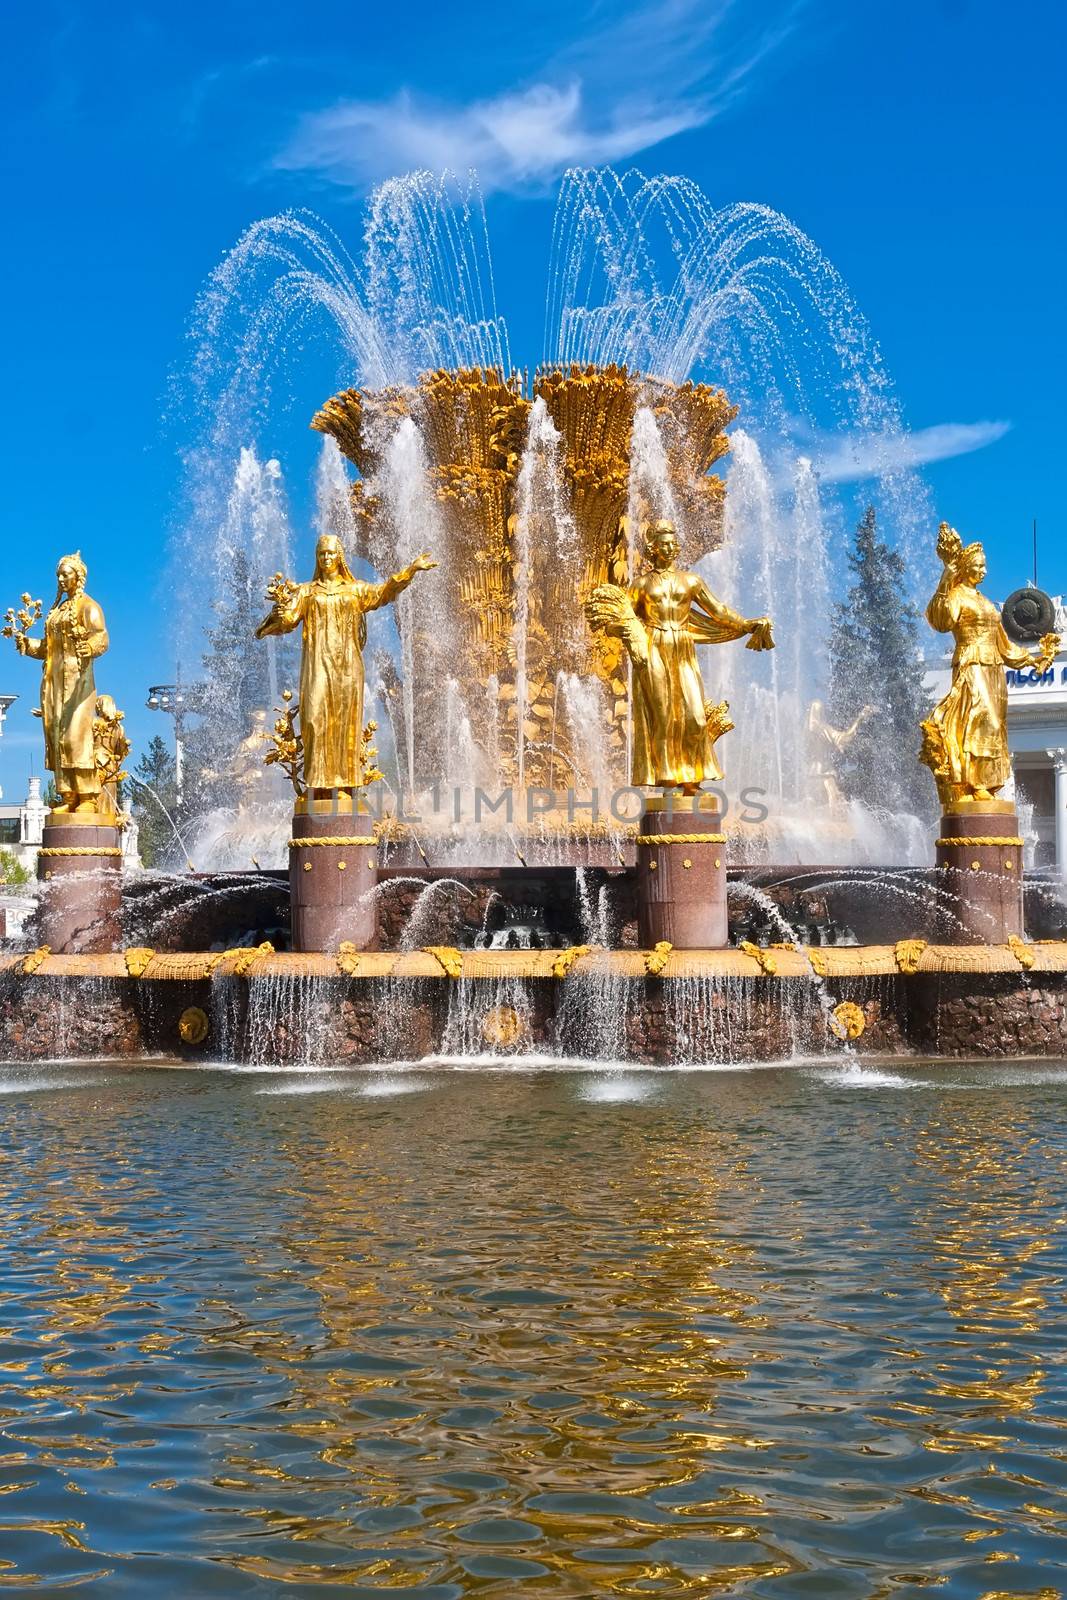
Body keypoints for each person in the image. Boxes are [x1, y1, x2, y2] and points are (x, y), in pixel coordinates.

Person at [587, 520, 773, 792]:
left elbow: (718, 610)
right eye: (665, 543)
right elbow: (620, 619)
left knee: (694, 715)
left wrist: (745, 624)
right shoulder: (640, 585)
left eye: (674, 543)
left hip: (682, 645)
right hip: (653, 645)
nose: (671, 547)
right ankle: (669, 777)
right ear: (653, 549)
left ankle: (692, 777)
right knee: (662, 716)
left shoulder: (691, 581)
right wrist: (626, 631)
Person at [255, 533, 436, 798]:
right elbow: (288, 621)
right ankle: (317, 786)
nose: (326, 558)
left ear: (339, 557)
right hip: (317, 666)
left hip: (348, 666)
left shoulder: (355, 590)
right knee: (314, 718)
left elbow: (384, 592)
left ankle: (346, 785)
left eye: (330, 553)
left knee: (344, 724)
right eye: (321, 554)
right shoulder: (307, 592)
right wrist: (277, 614)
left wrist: (410, 570)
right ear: (317, 558)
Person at [923, 523, 1058, 805]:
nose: (984, 571)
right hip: (972, 663)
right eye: (979, 566)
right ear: (966, 567)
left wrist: (1033, 660)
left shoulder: (984, 602)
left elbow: (1004, 645)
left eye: (985, 566)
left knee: (995, 725)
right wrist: (946, 577)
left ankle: (984, 785)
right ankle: (973, 783)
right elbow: (941, 621)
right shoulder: (956, 595)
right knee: (979, 720)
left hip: (994, 668)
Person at [12, 553, 109, 813]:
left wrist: (89, 646)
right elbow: (47, 648)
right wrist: (27, 644)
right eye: (59, 575)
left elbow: (101, 638)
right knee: (56, 736)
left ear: (78, 576)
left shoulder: (88, 606)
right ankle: (67, 796)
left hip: (78, 682)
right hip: (53, 682)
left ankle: (87, 796)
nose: (62, 579)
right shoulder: (57, 611)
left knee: (75, 736)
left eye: (66, 574)